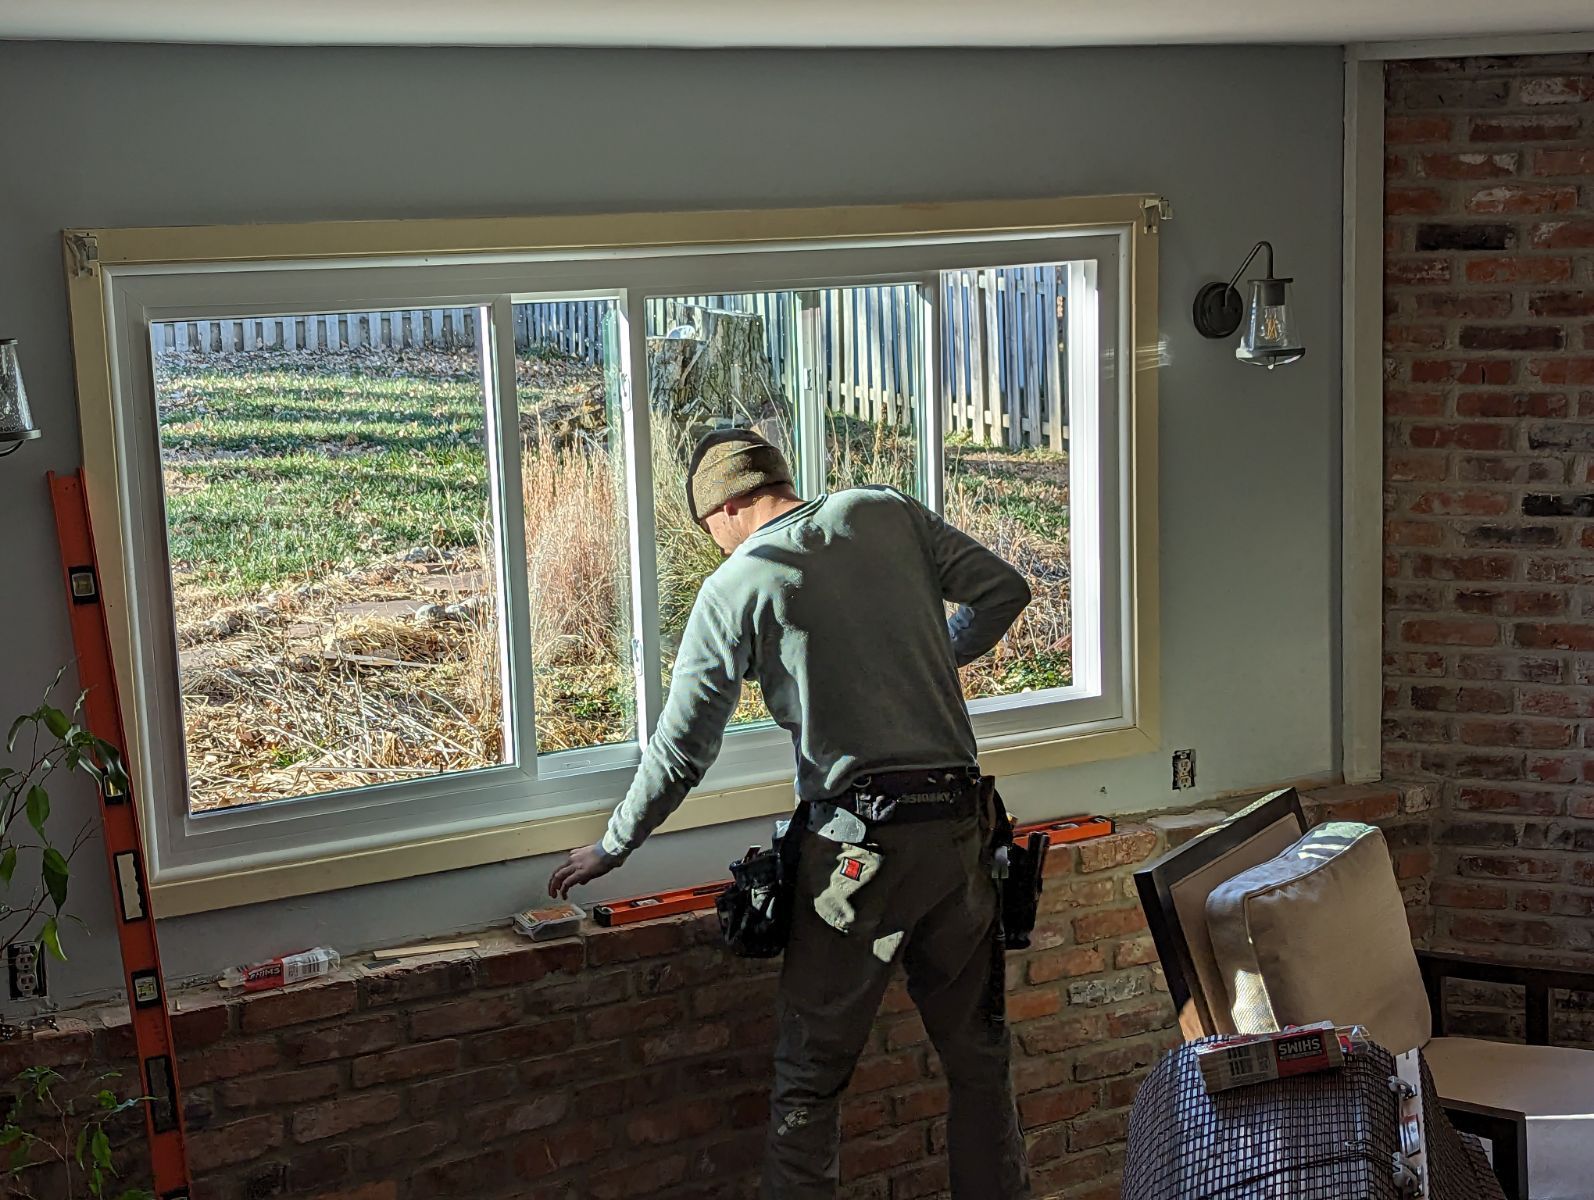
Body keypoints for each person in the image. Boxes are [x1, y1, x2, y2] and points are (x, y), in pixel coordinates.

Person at [548, 427, 1033, 1199]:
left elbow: (681, 751)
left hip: (856, 859)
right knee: (980, 1064)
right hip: (959, 832)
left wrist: (611, 848)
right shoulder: (885, 511)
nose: (717, 548)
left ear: (730, 505)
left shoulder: (740, 582)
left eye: (713, 532)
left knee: (808, 1083)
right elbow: (1006, 589)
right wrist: (931, 655)